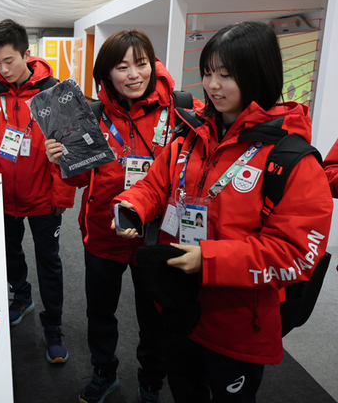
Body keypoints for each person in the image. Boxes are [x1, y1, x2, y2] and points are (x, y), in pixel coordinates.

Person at [114, 21, 332, 402]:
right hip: (180, 304)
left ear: (258, 75)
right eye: (208, 73)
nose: (213, 85)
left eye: (226, 75)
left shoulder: (292, 159)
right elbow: (155, 184)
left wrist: (209, 260)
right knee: (184, 391)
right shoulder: (191, 134)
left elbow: (295, 253)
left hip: (238, 322)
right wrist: (131, 207)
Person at [45, 29, 195, 403]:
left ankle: (151, 381)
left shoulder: (180, 111)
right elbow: (80, 178)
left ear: (152, 66)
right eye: (122, 67)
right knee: (100, 312)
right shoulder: (91, 115)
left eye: (141, 64)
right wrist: (61, 159)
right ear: (106, 73)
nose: (133, 75)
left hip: (156, 236)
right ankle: (103, 372)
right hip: (103, 231)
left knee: (155, 316)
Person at [0, 19, 76, 364]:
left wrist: (61, 196)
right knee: (9, 253)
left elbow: (69, 149)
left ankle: (53, 326)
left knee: (49, 261)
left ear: (27, 55)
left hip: (44, 197)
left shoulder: (54, 93)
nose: (3, 69)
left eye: (9, 61)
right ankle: (22, 296)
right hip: (3, 196)